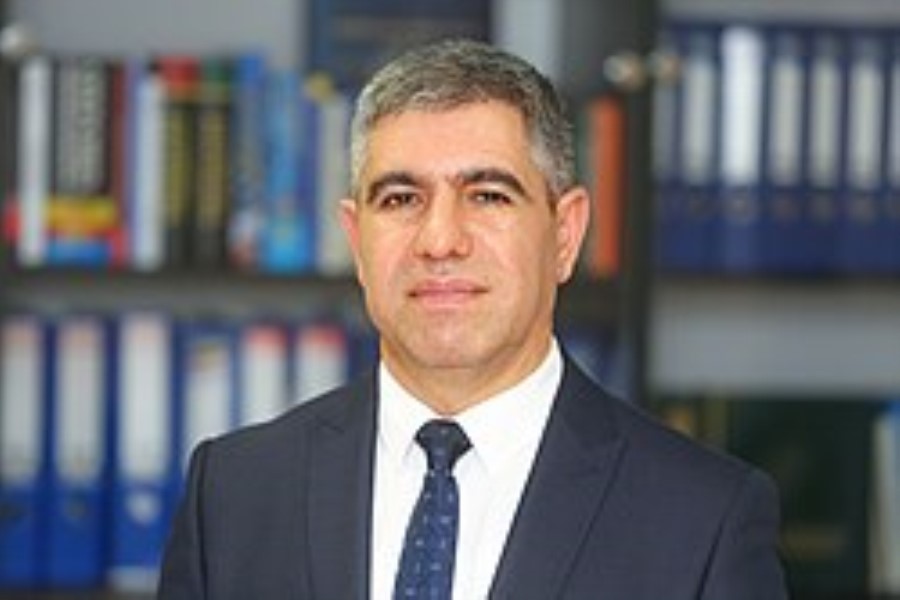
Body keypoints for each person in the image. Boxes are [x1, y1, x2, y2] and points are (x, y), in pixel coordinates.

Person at [157, 39, 787, 599]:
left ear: (565, 235)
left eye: (487, 196)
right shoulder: (234, 494)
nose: (440, 240)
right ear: (356, 240)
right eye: (401, 199)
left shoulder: (703, 520)